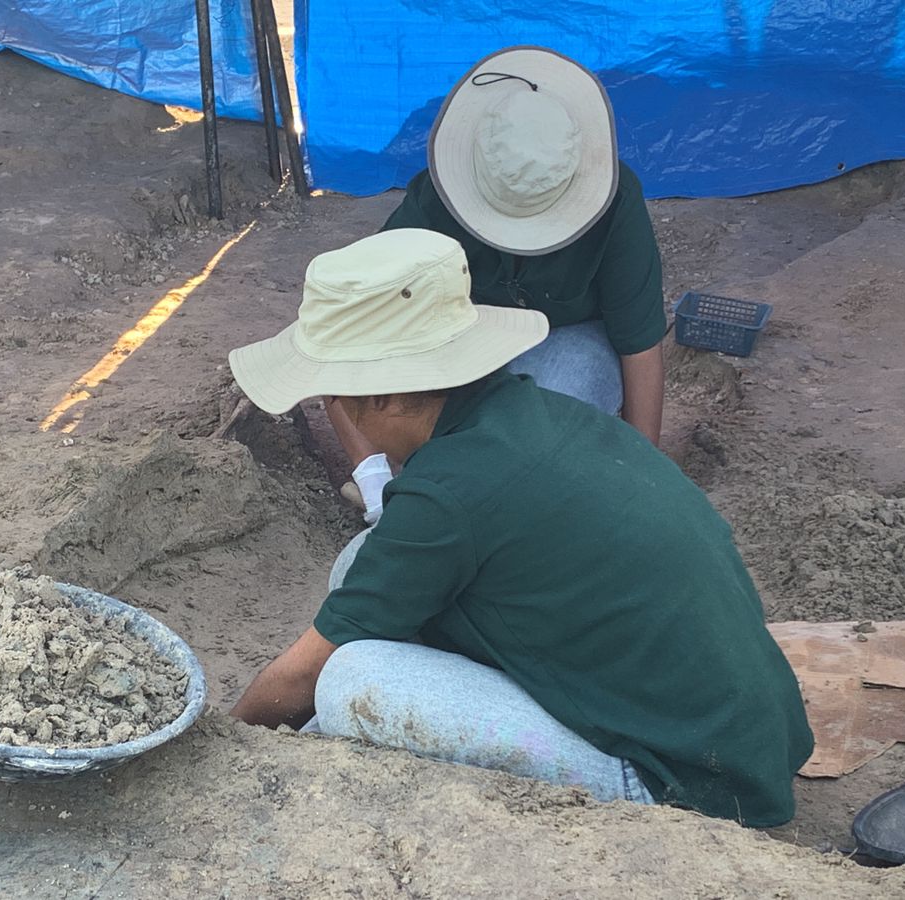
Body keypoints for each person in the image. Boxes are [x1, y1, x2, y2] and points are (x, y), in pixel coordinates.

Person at [227, 228, 813, 827]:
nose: (338, 411)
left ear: (383, 399)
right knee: (362, 561)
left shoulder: (449, 492)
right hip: (744, 736)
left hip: (687, 779)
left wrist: (224, 745)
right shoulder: (527, 415)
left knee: (351, 681)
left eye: (337, 398)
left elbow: (308, 670)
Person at [328, 45, 670, 524]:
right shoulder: (436, 201)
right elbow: (344, 327)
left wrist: (644, 479)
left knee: (553, 399)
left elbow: (640, 348)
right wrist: (375, 483)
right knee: (377, 372)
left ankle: (509, 490)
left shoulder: (617, 202)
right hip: (466, 343)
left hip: (568, 345)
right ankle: (429, 486)